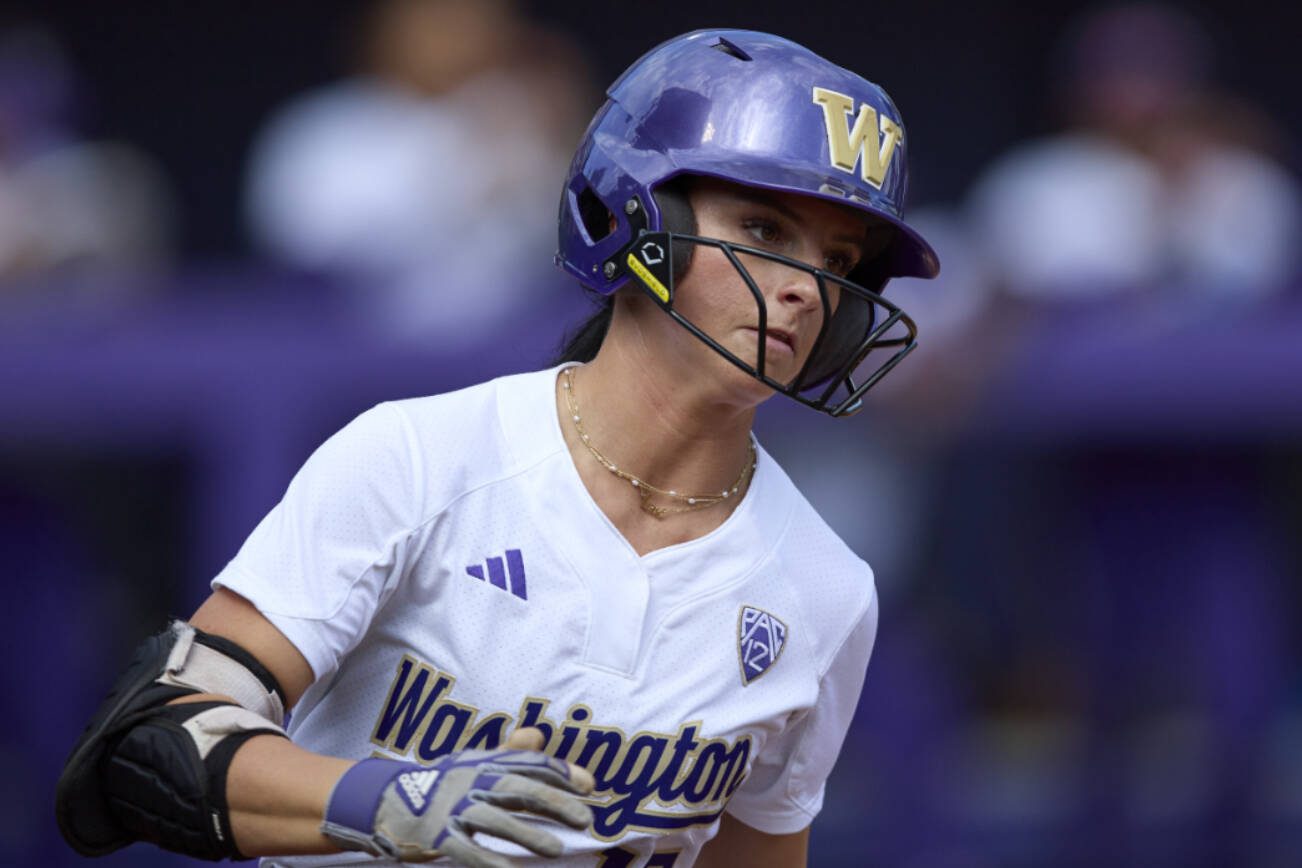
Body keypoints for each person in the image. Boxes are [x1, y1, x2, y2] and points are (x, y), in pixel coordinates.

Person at [56, 28, 938, 867]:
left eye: (838, 260)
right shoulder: (422, 457)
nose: (804, 291)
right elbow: (155, 740)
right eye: (764, 232)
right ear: (634, 209)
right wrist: (384, 803)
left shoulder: (825, 587)